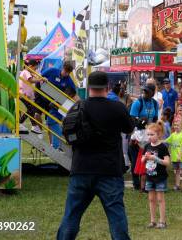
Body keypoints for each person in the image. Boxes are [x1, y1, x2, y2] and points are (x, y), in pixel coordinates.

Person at [57, 71, 134, 240]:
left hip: (81, 169)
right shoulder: (117, 107)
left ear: (89, 88)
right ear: (107, 88)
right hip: (109, 171)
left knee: (71, 216)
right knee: (116, 218)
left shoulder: (77, 107)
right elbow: (129, 128)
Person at [42, 60, 77, 150]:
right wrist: (42, 80)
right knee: (51, 123)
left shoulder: (69, 81)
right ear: (62, 68)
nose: (66, 74)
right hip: (45, 99)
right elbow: (40, 76)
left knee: (51, 121)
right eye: (65, 71)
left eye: (68, 73)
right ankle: (61, 142)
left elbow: (73, 93)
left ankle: (57, 145)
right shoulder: (52, 71)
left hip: (58, 103)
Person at [142, 122, 170, 229]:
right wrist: (145, 158)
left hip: (160, 177)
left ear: (159, 134)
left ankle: (162, 221)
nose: (149, 137)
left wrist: (156, 159)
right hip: (149, 177)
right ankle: (152, 221)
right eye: (148, 134)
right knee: (151, 199)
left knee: (160, 199)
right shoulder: (147, 146)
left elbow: (167, 162)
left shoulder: (162, 147)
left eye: (152, 134)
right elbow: (142, 160)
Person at [18, 59, 44, 134]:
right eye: (34, 68)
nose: (35, 70)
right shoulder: (26, 72)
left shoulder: (27, 72)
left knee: (30, 110)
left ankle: (28, 125)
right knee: (31, 109)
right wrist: (40, 79)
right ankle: (33, 126)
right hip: (23, 94)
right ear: (30, 66)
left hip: (25, 95)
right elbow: (31, 81)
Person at [166, 119, 182, 192]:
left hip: (181, 157)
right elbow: (166, 141)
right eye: (175, 125)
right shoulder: (173, 135)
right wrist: (159, 141)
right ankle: (177, 185)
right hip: (174, 157)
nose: (176, 126)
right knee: (177, 171)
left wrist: (180, 156)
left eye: (178, 125)